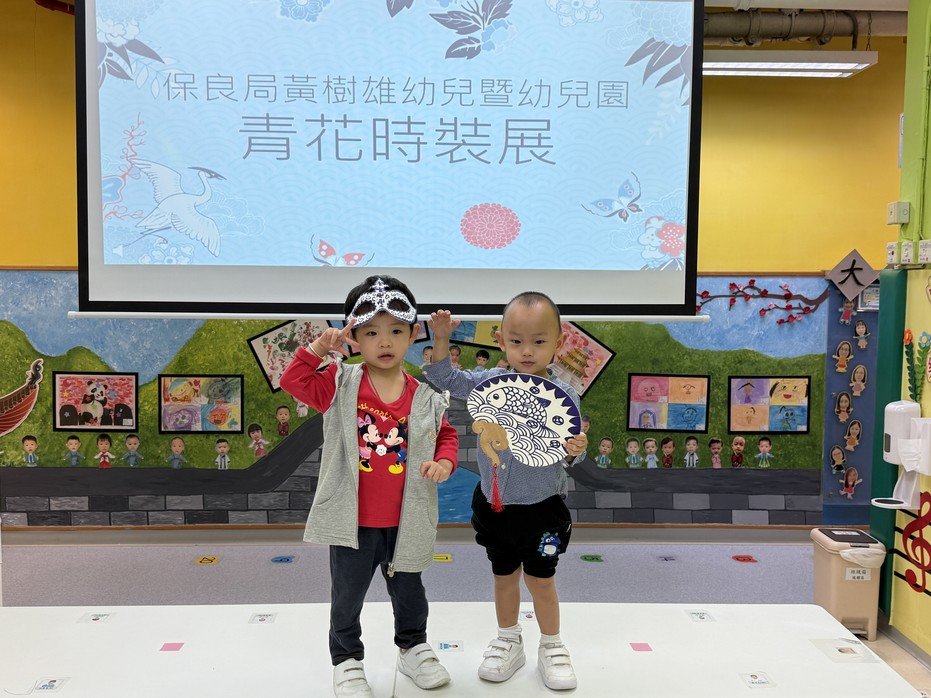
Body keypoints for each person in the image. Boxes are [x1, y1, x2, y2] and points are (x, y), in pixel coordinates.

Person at [280, 275, 458, 697]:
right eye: (372, 333)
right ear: (354, 337)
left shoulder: (425, 395)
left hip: (405, 520)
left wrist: (445, 462)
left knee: (410, 592)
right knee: (347, 596)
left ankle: (413, 648)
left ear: (413, 335)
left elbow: (445, 434)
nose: (385, 341)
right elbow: (293, 382)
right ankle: (346, 660)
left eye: (396, 331)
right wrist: (318, 348)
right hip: (353, 522)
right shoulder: (339, 382)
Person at [424, 292, 587, 691]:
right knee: (503, 576)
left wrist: (576, 449)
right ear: (500, 341)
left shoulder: (565, 397)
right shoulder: (487, 383)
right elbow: (444, 378)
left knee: (542, 580)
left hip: (544, 510)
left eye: (539, 341)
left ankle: (552, 645)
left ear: (559, 341)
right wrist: (441, 338)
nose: (527, 351)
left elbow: (571, 456)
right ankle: (508, 640)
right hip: (495, 507)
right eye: (516, 341)